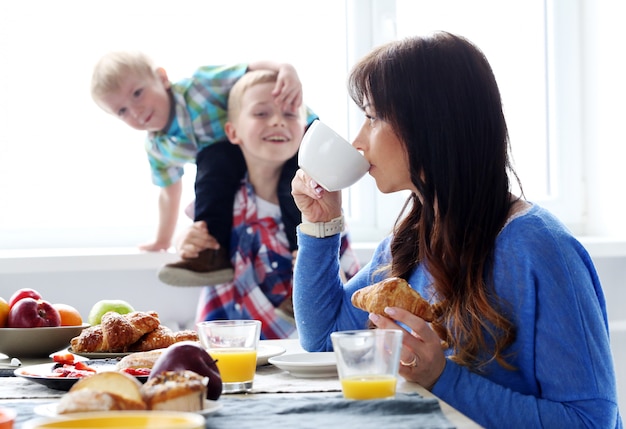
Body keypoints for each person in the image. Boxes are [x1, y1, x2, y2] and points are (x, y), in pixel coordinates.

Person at [290, 32, 622, 428]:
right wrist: (321, 223)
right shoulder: (413, 238)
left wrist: (441, 378)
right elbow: (325, 339)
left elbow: (591, 421)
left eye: (372, 117)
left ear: (429, 125)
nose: (358, 141)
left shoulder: (539, 249)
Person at [90, 51, 317, 287]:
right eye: (122, 111)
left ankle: (307, 269)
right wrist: (162, 239)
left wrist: (285, 69)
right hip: (239, 154)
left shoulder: (200, 88)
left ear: (162, 78)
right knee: (211, 174)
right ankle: (212, 252)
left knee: (289, 191)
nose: (135, 111)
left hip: (294, 136)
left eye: (137, 94)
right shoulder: (158, 147)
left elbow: (250, 68)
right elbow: (170, 191)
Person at [175, 70, 359, 339]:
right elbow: (194, 233)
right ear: (232, 131)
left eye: (290, 114)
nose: (277, 121)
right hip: (225, 346)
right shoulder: (221, 199)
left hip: (299, 347)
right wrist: (185, 241)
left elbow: (345, 278)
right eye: (261, 113)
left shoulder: (318, 201)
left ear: (304, 130)